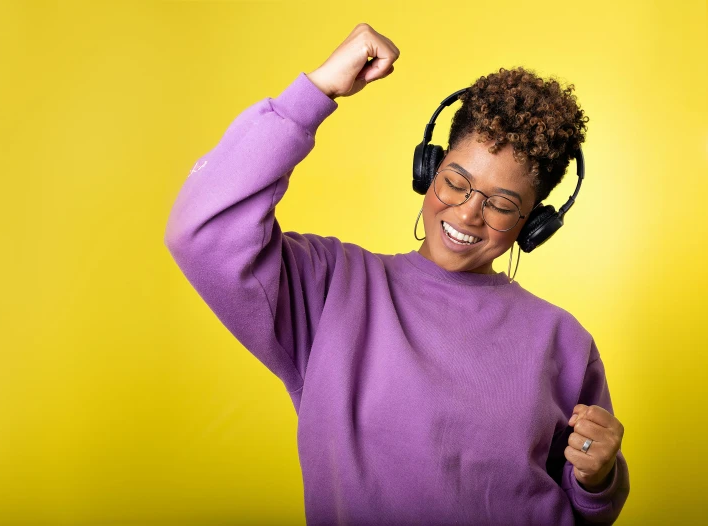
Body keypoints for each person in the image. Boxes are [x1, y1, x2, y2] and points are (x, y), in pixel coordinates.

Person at [164, 22, 630, 526]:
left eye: (501, 203)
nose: (469, 213)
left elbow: (586, 505)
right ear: (428, 171)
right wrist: (314, 93)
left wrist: (599, 479)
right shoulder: (330, 288)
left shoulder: (564, 339)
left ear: (533, 224)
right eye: (456, 182)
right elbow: (203, 231)